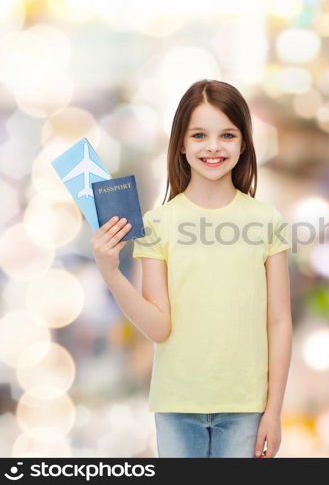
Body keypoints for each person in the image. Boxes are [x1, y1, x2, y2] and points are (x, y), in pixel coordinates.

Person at [90, 79, 292, 458]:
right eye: (199, 135)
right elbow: (158, 327)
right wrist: (111, 273)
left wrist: (274, 410)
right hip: (176, 406)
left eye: (227, 135)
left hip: (246, 405)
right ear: (181, 144)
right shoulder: (158, 223)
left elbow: (279, 321)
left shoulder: (267, 222)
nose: (213, 147)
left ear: (244, 143)